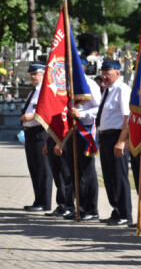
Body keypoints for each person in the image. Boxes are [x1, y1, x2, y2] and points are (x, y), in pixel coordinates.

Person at [59, 55, 102, 221]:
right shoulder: (68, 85)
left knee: (87, 172)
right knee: (74, 171)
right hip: (72, 131)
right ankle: (80, 208)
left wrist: (81, 113)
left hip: (86, 132)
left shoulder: (89, 84)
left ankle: (91, 209)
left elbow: (99, 109)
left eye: (73, 67)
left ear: (81, 67)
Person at [96, 59, 132, 225]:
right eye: (103, 73)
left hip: (116, 137)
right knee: (109, 176)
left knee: (119, 176)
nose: (104, 76)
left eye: (108, 73)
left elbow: (127, 118)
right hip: (105, 137)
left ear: (117, 73)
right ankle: (116, 210)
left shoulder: (122, 90)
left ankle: (124, 213)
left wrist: (121, 141)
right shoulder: (107, 90)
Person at [21, 61, 52, 212]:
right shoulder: (34, 91)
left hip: (40, 132)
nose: (33, 76)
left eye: (36, 73)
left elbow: (47, 111)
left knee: (42, 169)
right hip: (30, 134)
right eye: (31, 74)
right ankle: (38, 200)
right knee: (34, 169)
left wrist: (31, 116)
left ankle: (44, 202)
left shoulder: (45, 91)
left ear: (44, 74)